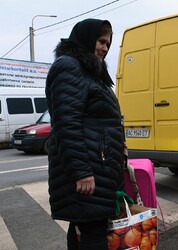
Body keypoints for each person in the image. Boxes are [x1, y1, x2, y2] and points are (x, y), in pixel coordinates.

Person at [45, 19, 125, 249]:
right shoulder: (70, 67)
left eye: (108, 44)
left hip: (97, 168)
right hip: (88, 170)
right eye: (101, 41)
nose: (105, 48)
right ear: (87, 38)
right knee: (92, 234)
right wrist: (81, 171)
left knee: (84, 228)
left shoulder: (89, 72)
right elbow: (66, 123)